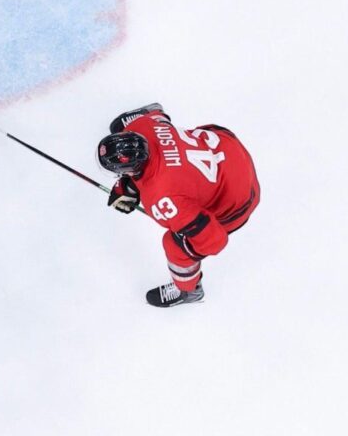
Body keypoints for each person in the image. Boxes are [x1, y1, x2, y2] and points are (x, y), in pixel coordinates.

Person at [98, 103, 261, 307]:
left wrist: (189, 248)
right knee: (119, 124)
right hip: (227, 146)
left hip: (240, 199)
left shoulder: (162, 201)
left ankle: (190, 291)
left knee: (175, 246)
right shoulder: (143, 124)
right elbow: (159, 118)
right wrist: (128, 187)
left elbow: (214, 240)